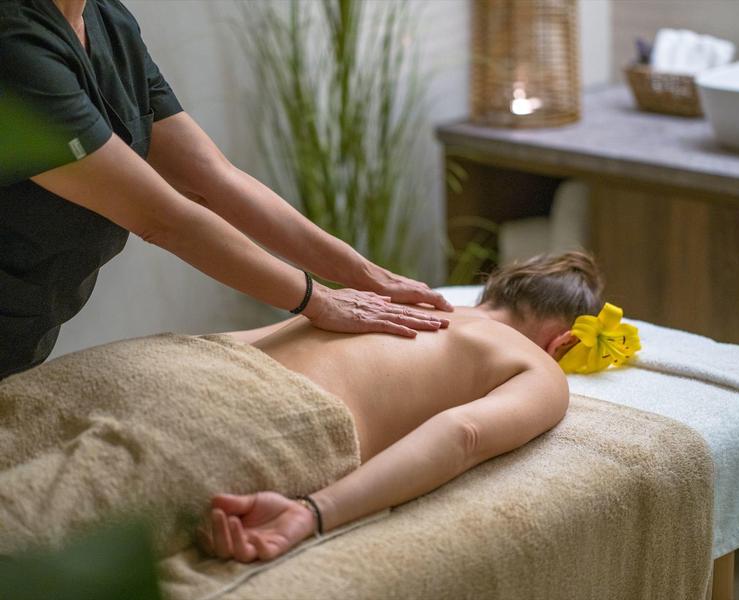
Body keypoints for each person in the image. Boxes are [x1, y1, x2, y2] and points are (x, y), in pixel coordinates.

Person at [0, 0, 451, 380]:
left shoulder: (105, 19)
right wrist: (319, 300)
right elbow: (165, 220)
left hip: (29, 325)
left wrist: (367, 276)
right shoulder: (14, 46)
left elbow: (214, 179)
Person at [198, 251, 604, 563]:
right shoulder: (539, 365)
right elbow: (464, 435)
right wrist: (313, 512)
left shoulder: (384, 301)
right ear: (565, 342)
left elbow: (249, 338)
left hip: (204, 364)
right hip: (280, 419)